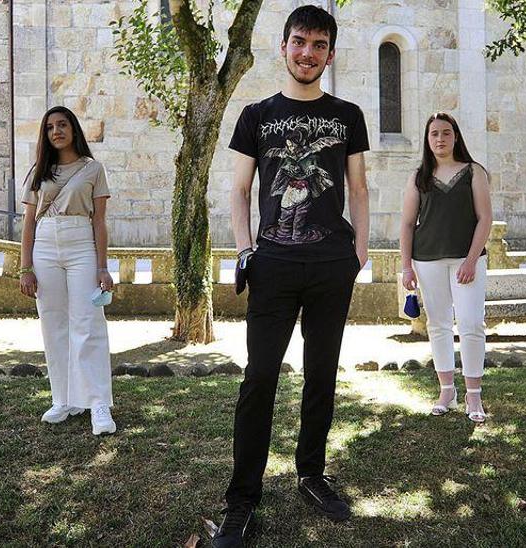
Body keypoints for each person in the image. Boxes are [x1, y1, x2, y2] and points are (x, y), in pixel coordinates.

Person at [213, 5, 370, 546]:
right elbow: (237, 190)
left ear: (330, 53)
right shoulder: (257, 114)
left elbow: (358, 187)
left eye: (319, 44)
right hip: (273, 263)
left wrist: (361, 249)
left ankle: (311, 474)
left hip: (332, 263)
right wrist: (244, 251)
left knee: (321, 373)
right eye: (299, 42)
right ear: (283, 47)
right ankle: (242, 498)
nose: (308, 53)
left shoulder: (348, 113)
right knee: (260, 377)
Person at [18, 105, 116, 436]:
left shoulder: (93, 169)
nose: (56, 131)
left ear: (73, 128)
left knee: (88, 322)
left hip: (80, 245)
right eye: (49, 127)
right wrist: (25, 267)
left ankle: (99, 403)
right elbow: (28, 223)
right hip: (45, 246)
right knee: (54, 323)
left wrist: (103, 266)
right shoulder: (39, 171)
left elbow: (99, 221)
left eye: (62, 125)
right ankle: (65, 398)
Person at [399, 113, 493, 423]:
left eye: (446, 133)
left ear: (455, 137)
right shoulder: (419, 177)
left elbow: (485, 219)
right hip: (426, 261)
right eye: (434, 134)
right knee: (438, 325)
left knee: (470, 323)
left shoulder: (474, 172)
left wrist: (470, 260)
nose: (440, 138)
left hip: (468, 262)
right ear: (427, 140)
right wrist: (407, 268)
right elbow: (407, 224)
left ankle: (474, 395)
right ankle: (446, 390)